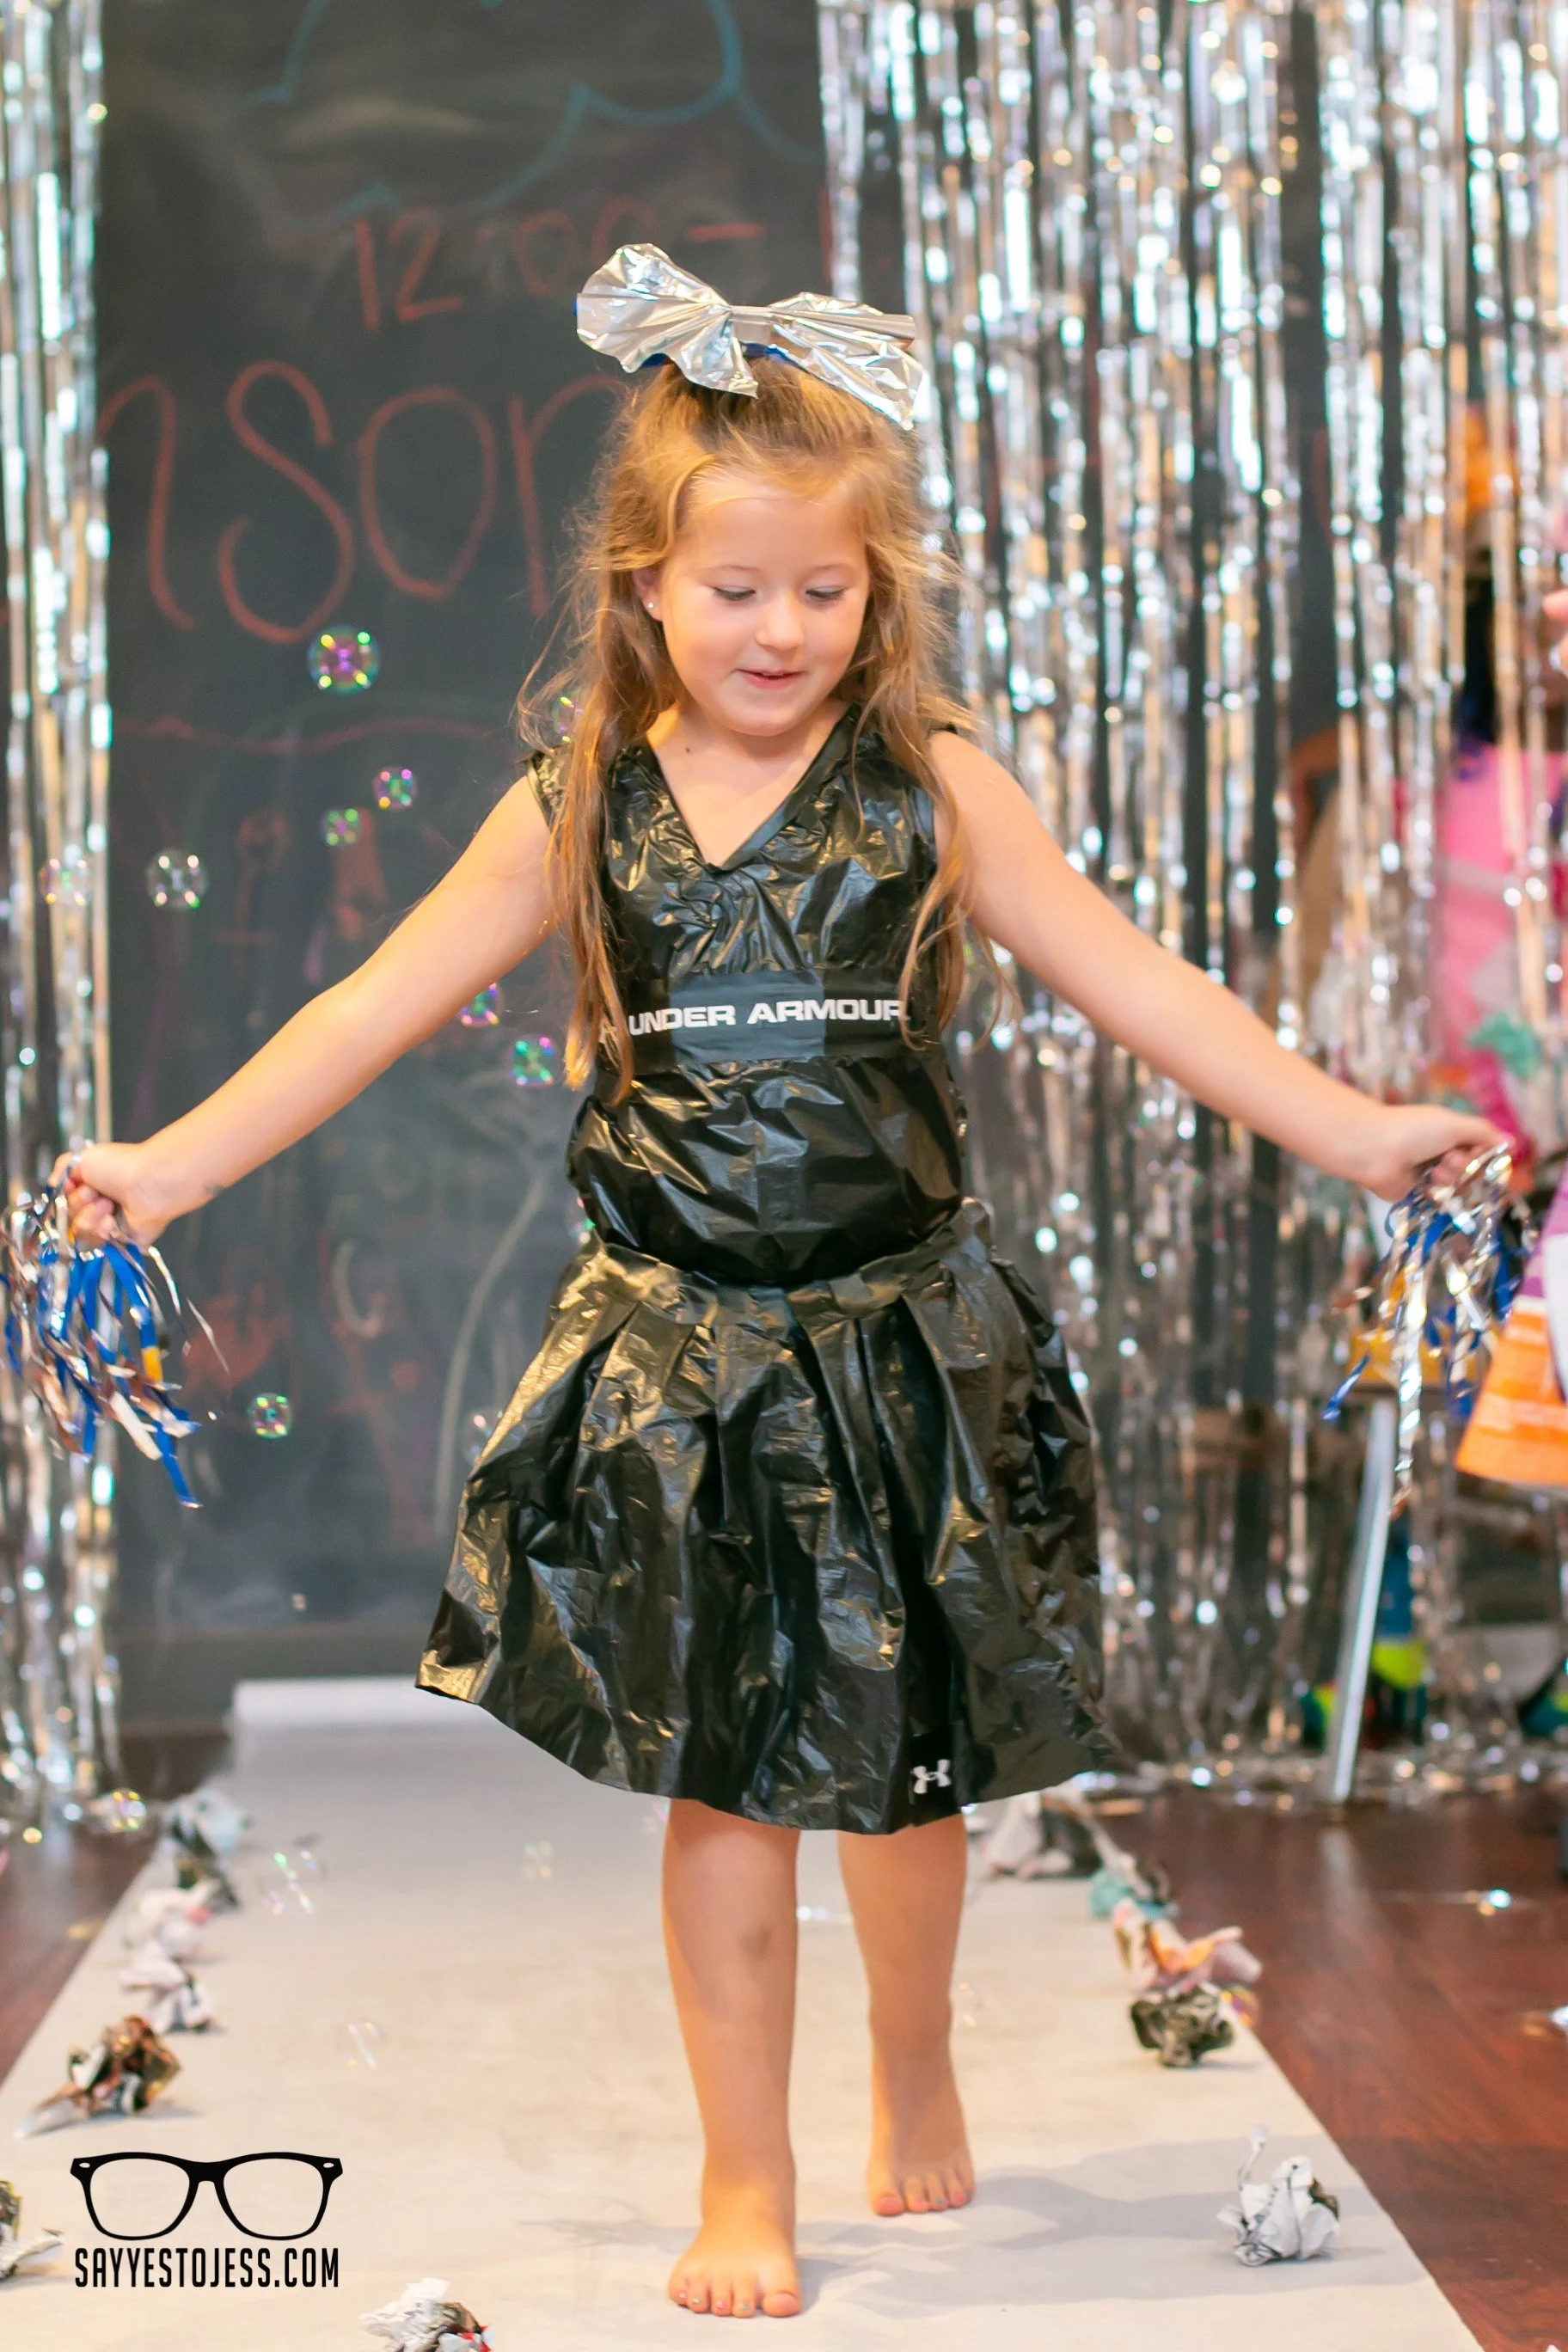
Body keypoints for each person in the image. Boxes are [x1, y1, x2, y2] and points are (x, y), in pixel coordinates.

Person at [64, 252, 1498, 2323]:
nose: (781, 629)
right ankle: (749, 2171)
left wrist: (1359, 1129)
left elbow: (1146, 991)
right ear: (644, 582)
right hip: (680, 1361)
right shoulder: (577, 807)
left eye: (824, 592)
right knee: (731, 1785)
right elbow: (364, 1012)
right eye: (737, 590)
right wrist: (169, 1167)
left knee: (906, 1783)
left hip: (901, 1343)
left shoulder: (930, 790)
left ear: (875, 590)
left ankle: (909, 2049)